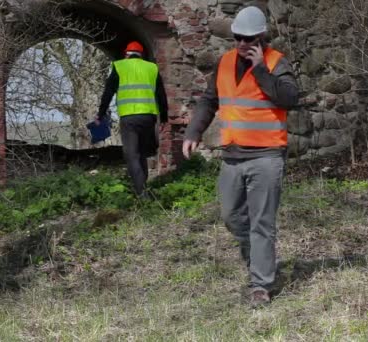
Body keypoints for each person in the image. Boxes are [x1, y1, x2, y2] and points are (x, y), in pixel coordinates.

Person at [182, 6, 299, 307]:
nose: (242, 44)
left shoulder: (276, 63)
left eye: (249, 39)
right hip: (233, 156)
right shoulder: (224, 63)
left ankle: (261, 284)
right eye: (238, 38)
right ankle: (260, 258)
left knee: (262, 222)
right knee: (232, 217)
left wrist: (260, 69)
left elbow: (289, 98)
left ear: (261, 37)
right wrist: (193, 133)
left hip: (267, 156)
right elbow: (209, 101)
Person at [93, 41, 168, 197]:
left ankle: (141, 192)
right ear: (142, 54)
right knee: (142, 153)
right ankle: (144, 187)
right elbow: (161, 95)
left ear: (126, 54)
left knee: (131, 154)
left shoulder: (119, 66)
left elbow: (108, 93)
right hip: (148, 116)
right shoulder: (151, 68)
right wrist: (165, 118)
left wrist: (101, 114)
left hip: (129, 117)